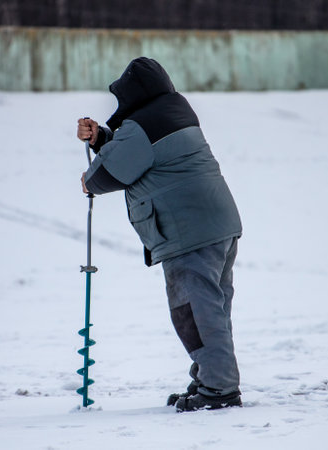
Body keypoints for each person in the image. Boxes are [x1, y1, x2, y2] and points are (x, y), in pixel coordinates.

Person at [76, 57, 242, 412]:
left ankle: (219, 389)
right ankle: (211, 379)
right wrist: (103, 138)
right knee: (211, 311)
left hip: (189, 231)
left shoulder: (142, 125)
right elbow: (142, 154)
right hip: (218, 225)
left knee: (194, 313)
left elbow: (112, 173)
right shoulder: (173, 111)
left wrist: (88, 180)